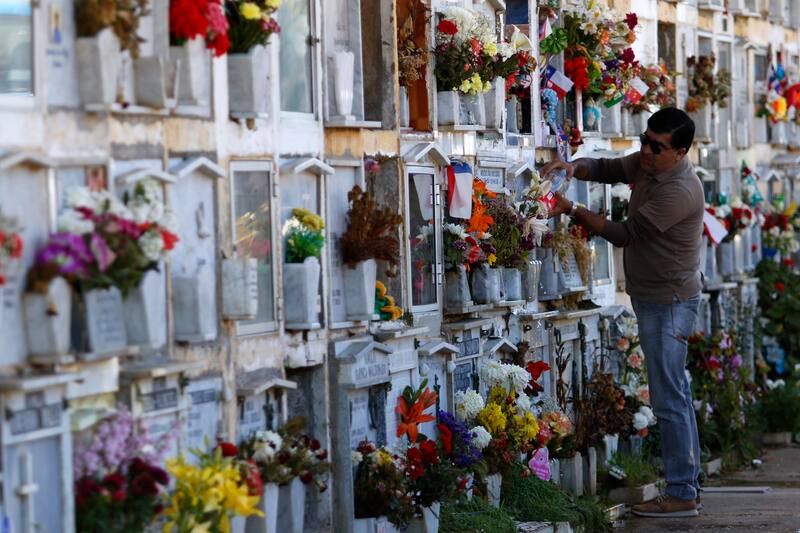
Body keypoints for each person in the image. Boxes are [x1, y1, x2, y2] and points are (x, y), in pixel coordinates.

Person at [540, 107, 704, 518]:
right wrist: (574, 167)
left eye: (657, 146)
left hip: (670, 301)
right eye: (645, 140)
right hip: (652, 296)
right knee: (674, 395)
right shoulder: (649, 163)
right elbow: (611, 167)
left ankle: (683, 493)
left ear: (680, 152)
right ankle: (686, 486)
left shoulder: (679, 191)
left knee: (668, 399)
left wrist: (571, 209)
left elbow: (625, 234)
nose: (646, 150)